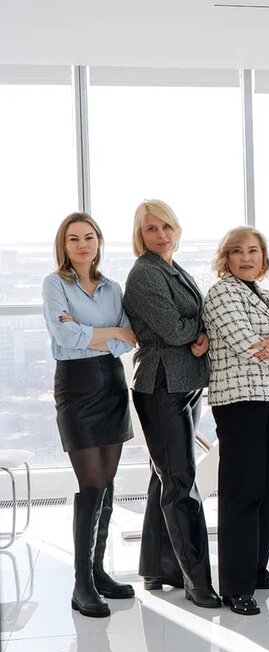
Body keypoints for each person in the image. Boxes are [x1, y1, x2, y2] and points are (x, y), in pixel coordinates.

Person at [123, 199, 219, 608]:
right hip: (162, 385)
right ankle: (197, 581)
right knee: (180, 482)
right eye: (151, 229)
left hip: (185, 383)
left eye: (166, 227)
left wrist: (200, 333)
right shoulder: (145, 274)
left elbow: (188, 326)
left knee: (164, 477)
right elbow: (175, 330)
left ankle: (159, 568)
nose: (161, 235)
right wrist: (202, 329)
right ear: (140, 235)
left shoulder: (172, 268)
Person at [43, 212, 137, 619]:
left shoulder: (113, 288)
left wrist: (90, 334)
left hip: (112, 385)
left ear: (99, 242)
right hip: (76, 387)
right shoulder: (55, 284)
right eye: (73, 239)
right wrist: (110, 333)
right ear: (63, 245)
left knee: (108, 482)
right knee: (92, 482)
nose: (82, 245)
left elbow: (128, 340)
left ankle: (98, 572)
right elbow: (64, 336)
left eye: (88, 237)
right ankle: (82, 584)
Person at [203, 226, 269, 615]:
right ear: (226, 257)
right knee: (241, 493)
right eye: (238, 251)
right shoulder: (221, 293)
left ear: (263, 257)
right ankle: (235, 585)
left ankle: (257, 568)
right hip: (239, 401)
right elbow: (251, 347)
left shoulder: (266, 295)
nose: (246, 258)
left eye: (253, 251)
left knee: (265, 490)